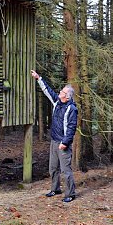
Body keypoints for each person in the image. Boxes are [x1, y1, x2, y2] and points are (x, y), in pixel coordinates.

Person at [31, 70, 78, 203]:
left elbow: (71, 128)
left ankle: (70, 193)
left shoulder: (71, 109)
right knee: (53, 168)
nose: (59, 93)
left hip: (63, 144)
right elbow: (48, 91)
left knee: (65, 171)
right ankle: (55, 189)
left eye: (62, 92)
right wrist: (38, 78)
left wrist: (65, 142)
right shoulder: (57, 102)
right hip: (54, 141)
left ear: (67, 97)